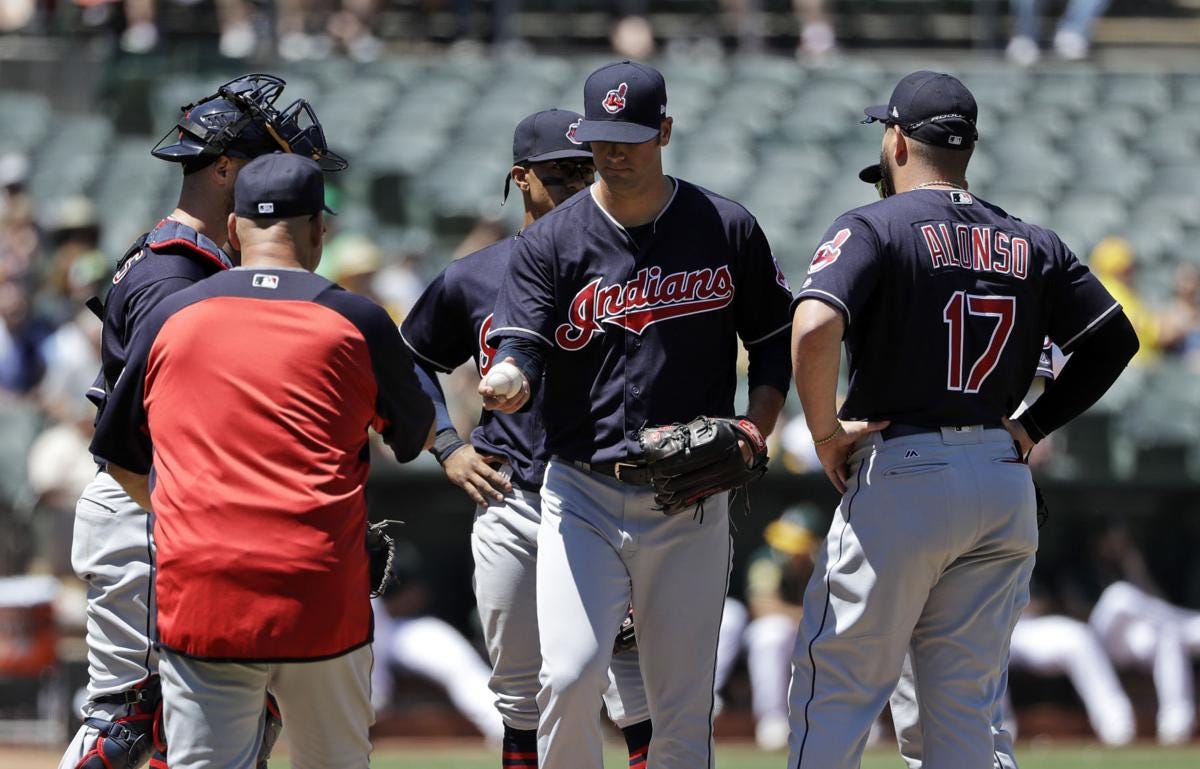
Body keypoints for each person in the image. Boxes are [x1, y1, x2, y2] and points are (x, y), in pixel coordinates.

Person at [786, 70, 1139, 769]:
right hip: (1001, 479)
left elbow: (815, 324)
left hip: (906, 471)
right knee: (962, 719)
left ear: (894, 140)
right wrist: (1034, 425)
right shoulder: (1029, 239)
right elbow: (1114, 340)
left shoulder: (874, 223)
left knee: (837, 691)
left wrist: (824, 432)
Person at [482, 61, 794, 768]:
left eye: (630, 136)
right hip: (581, 490)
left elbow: (773, 347)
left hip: (689, 496)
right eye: (601, 138)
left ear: (665, 130)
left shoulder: (725, 227)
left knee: (682, 700)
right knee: (568, 675)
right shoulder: (552, 239)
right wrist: (509, 377)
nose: (613, 152)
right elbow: (522, 344)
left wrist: (756, 426)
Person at [89, 152, 435, 768]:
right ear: (317, 231)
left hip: (202, 591)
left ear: (232, 230)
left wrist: (195, 518)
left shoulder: (171, 314)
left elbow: (118, 458)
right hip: (320, 588)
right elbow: (410, 438)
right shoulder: (356, 319)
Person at [59, 73, 345, 769]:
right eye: (271, 162)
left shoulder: (186, 259)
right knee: (130, 724)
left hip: (170, 507)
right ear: (224, 168)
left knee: (212, 722)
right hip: (150, 507)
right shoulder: (175, 277)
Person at [400, 108, 653, 769]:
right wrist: (449, 447)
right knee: (519, 694)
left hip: (612, 498)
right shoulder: (476, 275)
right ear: (521, 178)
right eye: (560, 173)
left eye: (586, 170)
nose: (577, 183)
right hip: (514, 496)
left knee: (637, 687)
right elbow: (409, 359)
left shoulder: (633, 262)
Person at [743, 506, 820, 751]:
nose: (789, 552)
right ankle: (772, 719)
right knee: (772, 633)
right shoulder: (768, 558)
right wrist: (804, 617)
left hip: (817, 632)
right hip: (784, 634)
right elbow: (761, 605)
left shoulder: (830, 562)